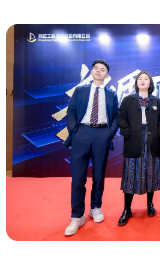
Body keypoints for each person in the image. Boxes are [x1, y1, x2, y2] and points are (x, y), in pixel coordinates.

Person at [61, 59, 120, 236]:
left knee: (99, 175)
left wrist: (109, 133)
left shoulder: (111, 94)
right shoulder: (80, 90)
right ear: (92, 72)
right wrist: (75, 131)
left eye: (102, 69)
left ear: (107, 75)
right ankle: (77, 215)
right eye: (96, 68)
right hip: (82, 133)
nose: (98, 71)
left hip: (102, 134)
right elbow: (71, 112)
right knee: (78, 177)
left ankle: (95, 207)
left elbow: (116, 116)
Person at [116, 72, 160, 226]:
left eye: (146, 79)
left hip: (152, 140)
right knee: (131, 175)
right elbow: (121, 117)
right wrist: (128, 133)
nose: (143, 81)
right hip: (133, 139)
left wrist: (158, 133)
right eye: (140, 79)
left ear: (150, 83)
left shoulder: (157, 101)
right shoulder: (128, 100)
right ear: (136, 83)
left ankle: (150, 204)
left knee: (150, 174)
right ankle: (127, 209)